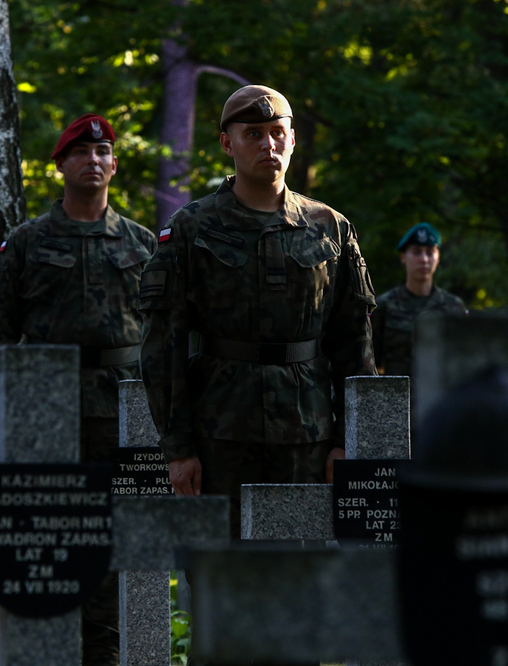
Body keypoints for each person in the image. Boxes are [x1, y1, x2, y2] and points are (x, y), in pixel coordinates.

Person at [138, 84, 377, 532]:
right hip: (219, 435)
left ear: (292, 138)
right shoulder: (192, 227)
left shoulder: (330, 227)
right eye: (253, 134)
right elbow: (161, 348)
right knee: (220, 574)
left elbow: (355, 344)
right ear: (227, 142)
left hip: (307, 434)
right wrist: (178, 448)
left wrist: (349, 441)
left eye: (277, 133)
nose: (268, 145)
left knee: (299, 573)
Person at [0, 114, 156, 665]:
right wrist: (10, 413)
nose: (93, 161)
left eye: (103, 153)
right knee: (48, 543)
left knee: (110, 543)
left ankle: (102, 655)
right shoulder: (28, 242)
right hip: (45, 417)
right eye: (81, 152)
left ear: (115, 165)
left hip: (122, 415)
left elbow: (169, 335)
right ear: (61, 165)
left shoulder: (143, 243)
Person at [372, 222, 467, 376]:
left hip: (441, 397)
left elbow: (463, 360)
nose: (424, 259)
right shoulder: (384, 306)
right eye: (416, 252)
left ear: (438, 257)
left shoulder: (454, 307)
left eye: (430, 252)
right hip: (397, 397)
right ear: (403, 257)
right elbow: (371, 364)